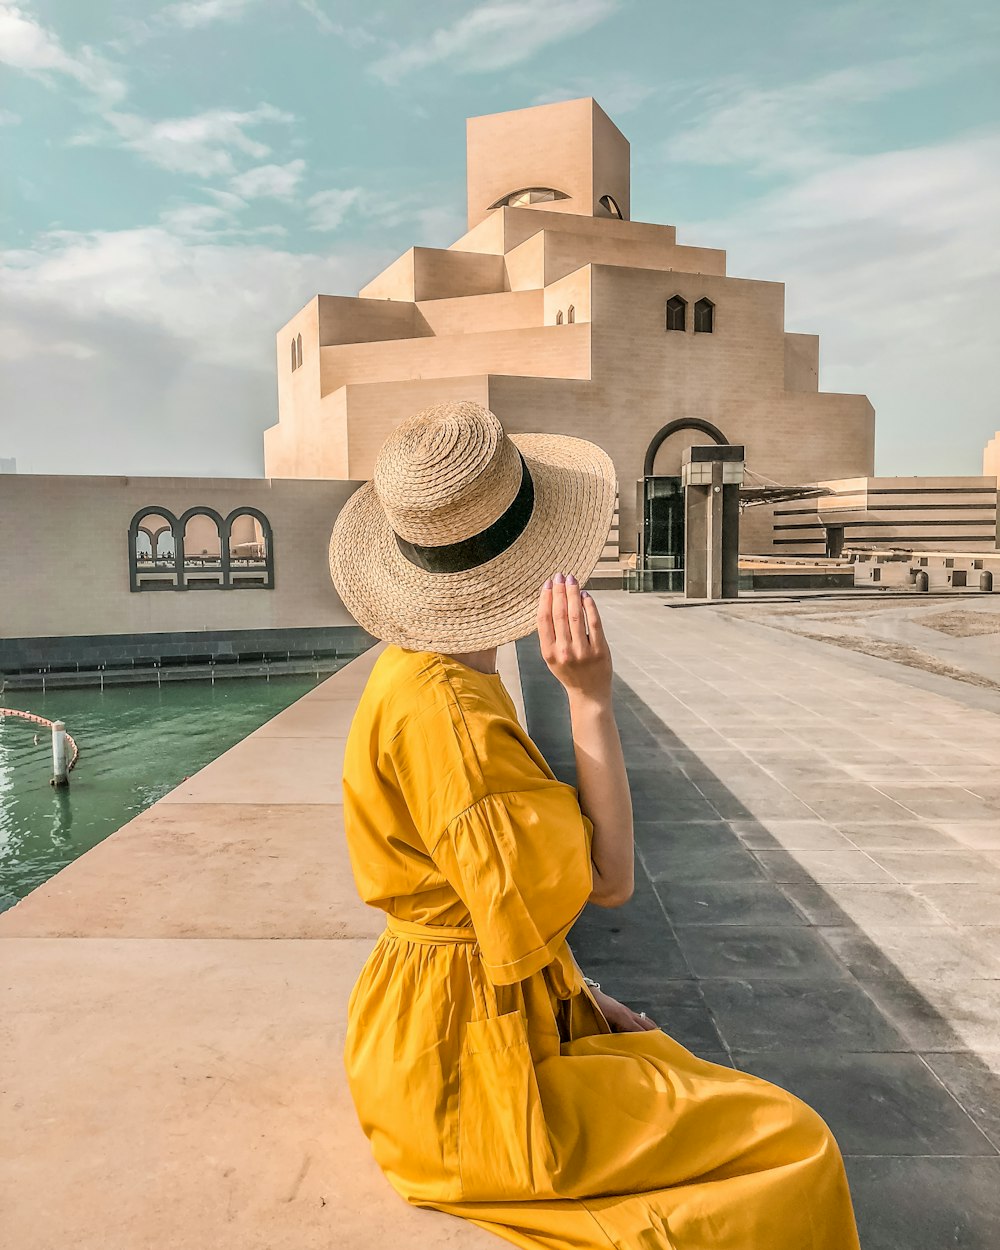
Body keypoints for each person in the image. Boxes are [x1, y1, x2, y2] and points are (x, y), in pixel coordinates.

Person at [330, 401, 860, 1250]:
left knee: (670, 1066)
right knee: (791, 1145)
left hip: (428, 1029)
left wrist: (587, 995)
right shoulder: (455, 720)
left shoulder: (415, 673)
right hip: (476, 1074)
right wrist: (589, 696)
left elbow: (494, 898)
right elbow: (608, 879)